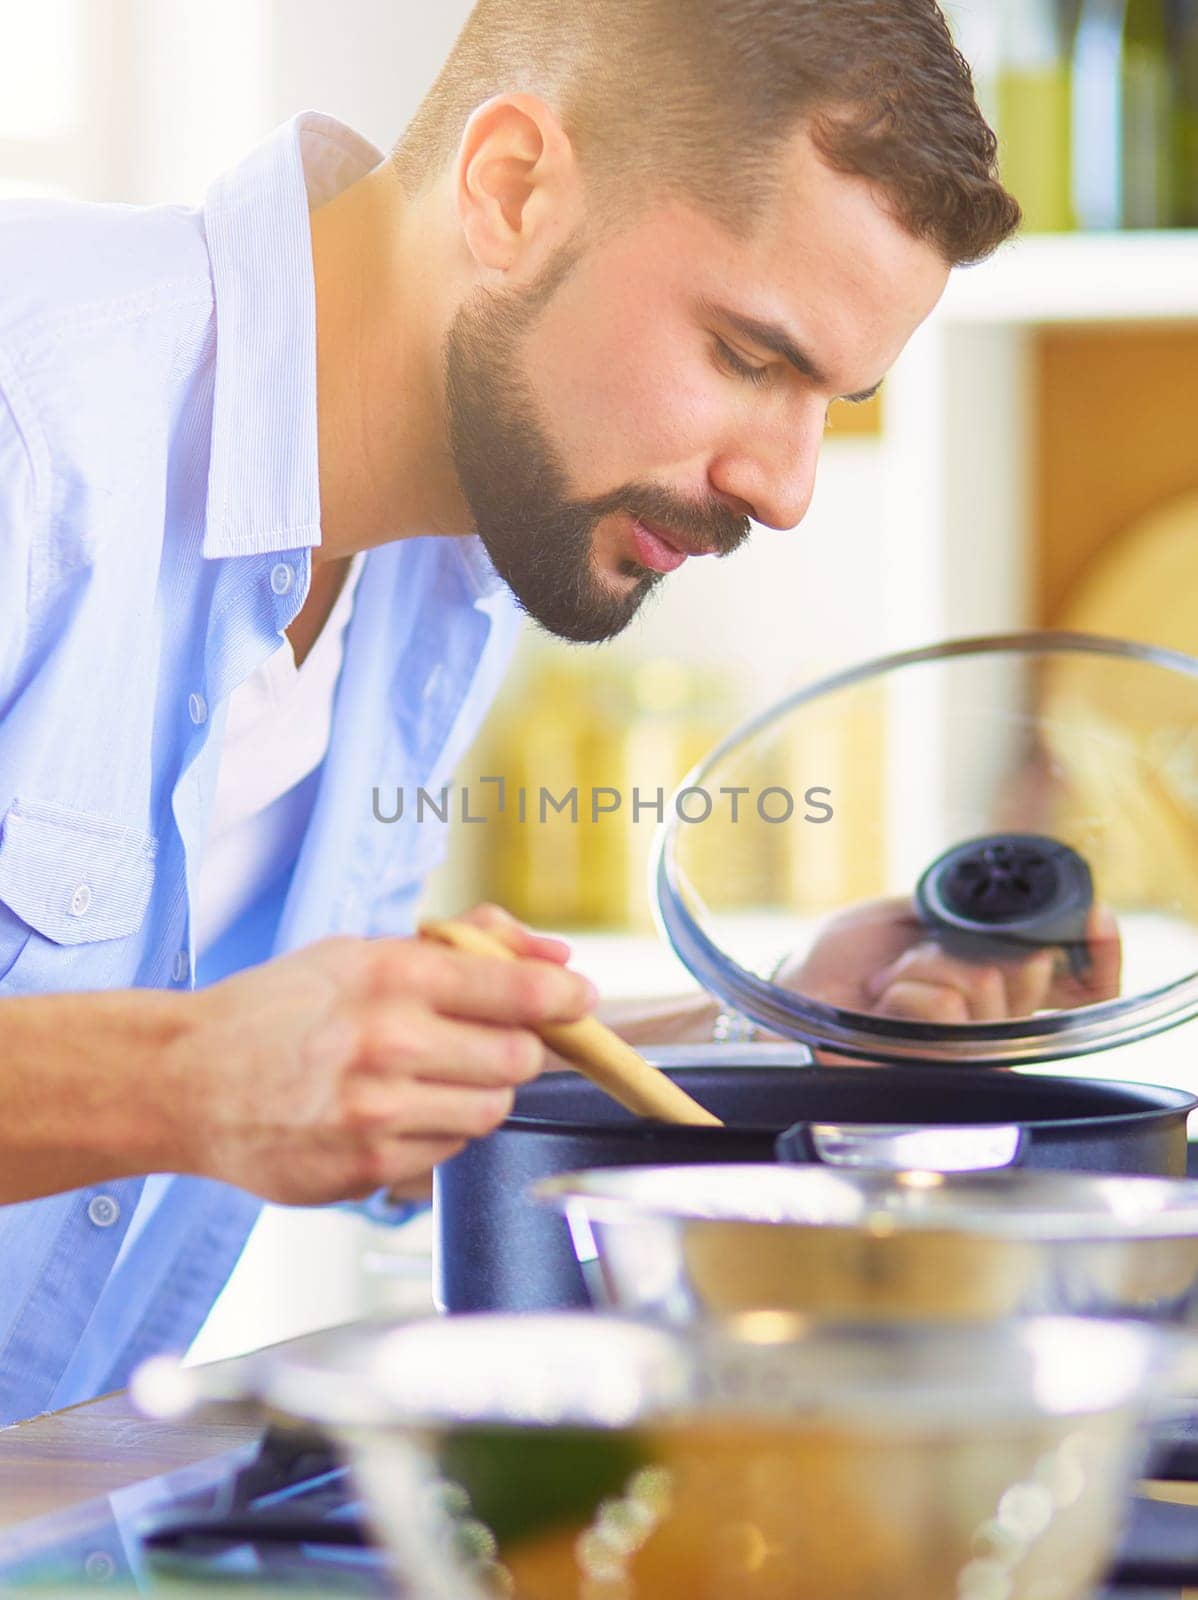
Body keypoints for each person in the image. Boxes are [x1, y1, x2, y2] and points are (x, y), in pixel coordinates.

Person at [0, 0, 1021, 1422]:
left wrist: (779, 1033)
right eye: (747, 355)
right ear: (511, 191)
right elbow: (219, 1070)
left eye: (834, 400)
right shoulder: (29, 411)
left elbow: (331, 1060)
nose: (786, 490)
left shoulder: (456, 561)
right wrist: (182, 1081)